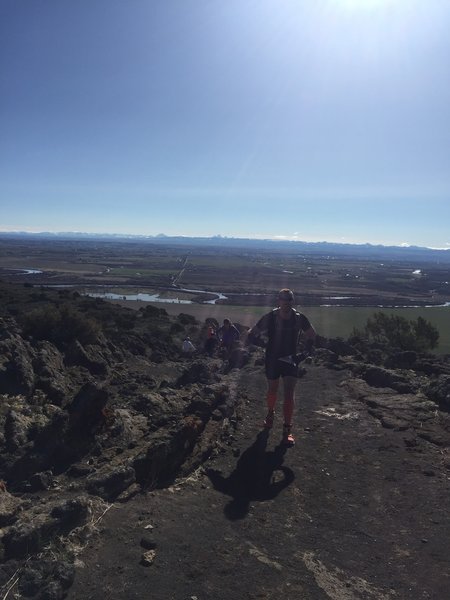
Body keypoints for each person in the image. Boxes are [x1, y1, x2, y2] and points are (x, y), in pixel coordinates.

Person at [247, 288, 316, 446]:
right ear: (279, 301)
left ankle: (287, 429)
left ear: (292, 302)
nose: (286, 303)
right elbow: (253, 332)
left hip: (291, 360)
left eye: (289, 300)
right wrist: (259, 342)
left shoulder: (299, 318)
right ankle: (270, 413)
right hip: (272, 359)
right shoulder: (270, 317)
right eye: (284, 300)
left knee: (289, 392)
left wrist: (304, 352)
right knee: (272, 389)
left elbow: (312, 334)